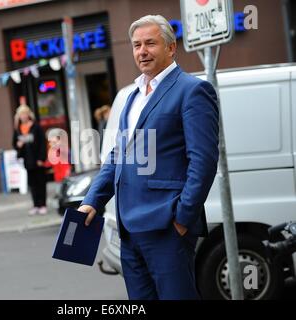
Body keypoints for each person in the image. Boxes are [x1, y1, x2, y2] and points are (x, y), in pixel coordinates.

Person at [78, 15, 219, 300]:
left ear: (170, 47)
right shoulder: (133, 96)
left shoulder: (192, 90)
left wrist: (182, 217)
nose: (142, 51)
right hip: (128, 230)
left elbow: (203, 161)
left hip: (167, 227)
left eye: (150, 43)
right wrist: (92, 201)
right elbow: (118, 155)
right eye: (136, 45)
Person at [13, 104, 47, 215]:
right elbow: (14, 143)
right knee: (32, 184)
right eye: (21, 114)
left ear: (28, 114)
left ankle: (43, 204)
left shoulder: (36, 127)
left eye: (25, 113)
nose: (23, 116)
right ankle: (35, 204)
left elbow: (43, 143)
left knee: (40, 182)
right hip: (27, 160)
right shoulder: (18, 129)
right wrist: (18, 145)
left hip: (37, 159)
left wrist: (42, 158)